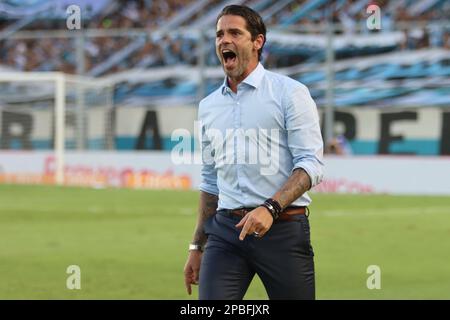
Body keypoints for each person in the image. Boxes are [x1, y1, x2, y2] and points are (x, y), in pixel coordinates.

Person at [183, 5, 324, 300]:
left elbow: (311, 164)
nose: (224, 40)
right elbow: (210, 181)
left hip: (283, 230)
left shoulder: (290, 93)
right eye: (219, 34)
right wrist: (197, 247)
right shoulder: (208, 106)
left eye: (235, 32)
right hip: (226, 232)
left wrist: (270, 208)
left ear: (257, 42)